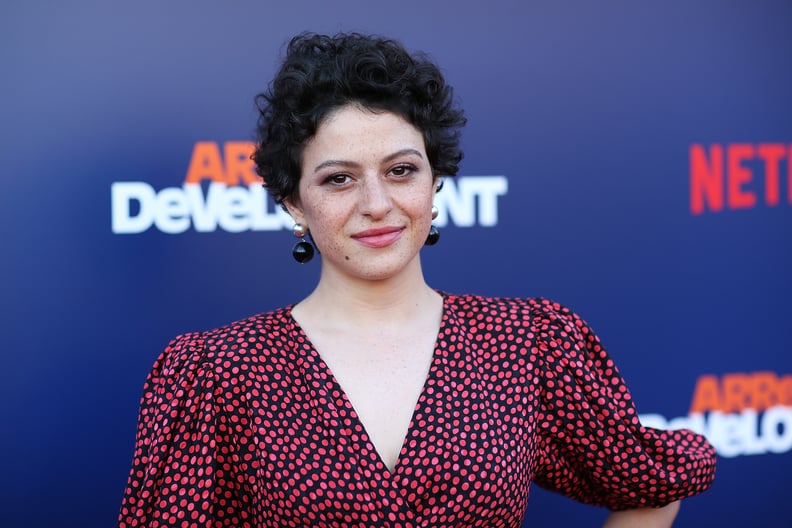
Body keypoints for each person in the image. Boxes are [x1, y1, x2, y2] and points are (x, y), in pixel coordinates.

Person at [118, 32, 716, 528]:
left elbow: (652, 481)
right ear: (293, 202)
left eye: (401, 170)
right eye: (338, 179)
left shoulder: (527, 343)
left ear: (434, 182)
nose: (377, 203)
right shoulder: (217, 373)